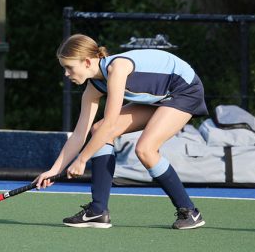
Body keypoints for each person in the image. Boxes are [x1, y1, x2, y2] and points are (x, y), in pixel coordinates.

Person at [35, 34, 208, 230]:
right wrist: (54, 171)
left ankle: (190, 211)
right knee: (98, 130)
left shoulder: (117, 69)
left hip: (185, 91)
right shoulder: (94, 86)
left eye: (69, 67)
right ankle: (98, 211)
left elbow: (110, 122)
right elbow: (79, 134)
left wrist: (82, 159)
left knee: (145, 149)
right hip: (160, 97)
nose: (66, 74)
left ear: (87, 62)